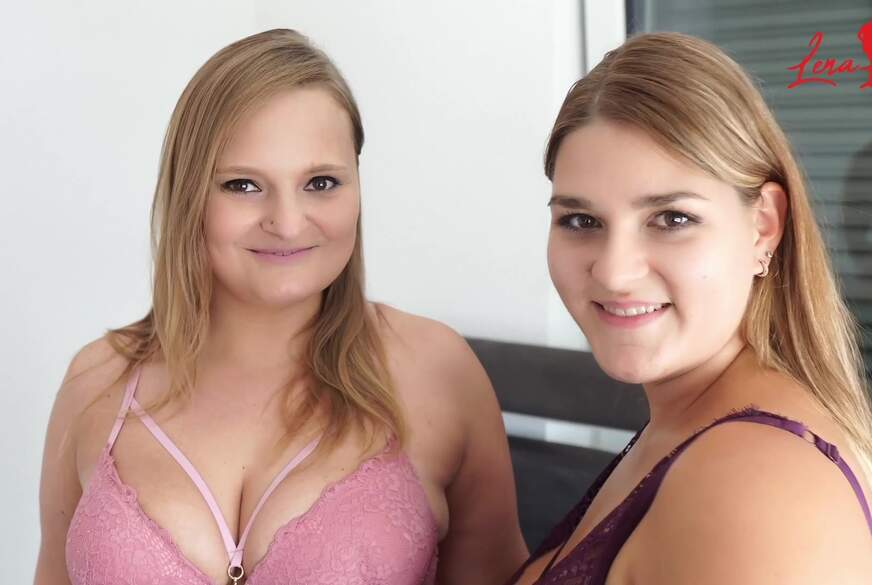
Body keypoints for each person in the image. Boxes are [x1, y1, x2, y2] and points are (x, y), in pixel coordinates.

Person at [35, 29, 527, 585]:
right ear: (188, 193)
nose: (288, 223)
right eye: (243, 186)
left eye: (321, 182)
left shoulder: (439, 371)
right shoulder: (96, 382)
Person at [509, 32, 872, 585]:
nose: (614, 272)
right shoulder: (689, 424)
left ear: (763, 226)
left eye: (672, 219)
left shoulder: (754, 489)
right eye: (581, 221)